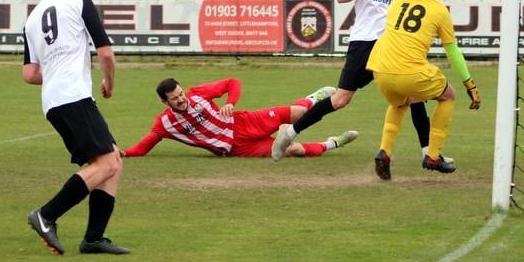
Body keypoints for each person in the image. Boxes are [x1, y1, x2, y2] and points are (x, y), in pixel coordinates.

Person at [272, 0, 450, 163]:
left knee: (414, 96)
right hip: (364, 42)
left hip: (390, 45)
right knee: (341, 99)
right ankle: (289, 134)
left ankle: (428, 153)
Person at [22, 0, 129, 255]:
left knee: (112, 161)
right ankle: (46, 215)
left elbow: (30, 74)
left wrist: (56, 71)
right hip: (74, 96)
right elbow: (106, 52)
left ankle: (94, 239)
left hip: (54, 101)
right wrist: (108, 81)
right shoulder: (78, 3)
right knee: (107, 163)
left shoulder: (31, 20)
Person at [366, 0, 481, 180]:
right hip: (409, 71)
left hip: (380, 68)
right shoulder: (438, 10)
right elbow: (453, 52)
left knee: (400, 103)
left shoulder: (397, 3)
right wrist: (470, 84)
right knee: (448, 95)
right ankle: (433, 155)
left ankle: (385, 152)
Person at [121, 78, 358, 158]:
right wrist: (125, 153)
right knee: (294, 151)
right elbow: (145, 145)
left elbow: (233, 82)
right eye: (175, 99)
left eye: (181, 94)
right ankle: (334, 142)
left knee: (299, 113)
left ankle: (313, 97)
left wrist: (230, 103)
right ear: (165, 103)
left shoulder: (198, 94)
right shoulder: (165, 123)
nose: (182, 99)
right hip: (236, 148)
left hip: (243, 122)